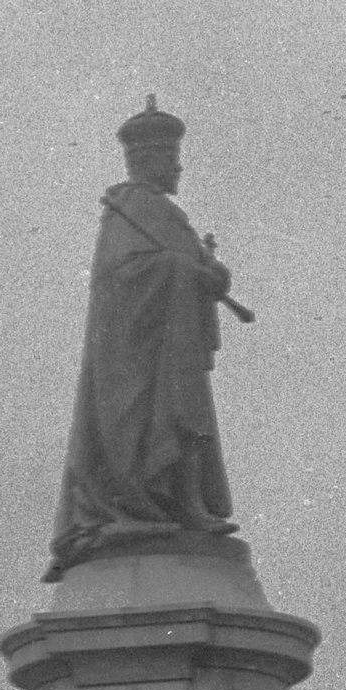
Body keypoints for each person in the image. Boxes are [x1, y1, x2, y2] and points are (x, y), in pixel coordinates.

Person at [45, 98, 246, 581]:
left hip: (177, 346)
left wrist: (212, 275)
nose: (178, 167)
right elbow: (122, 277)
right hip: (140, 354)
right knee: (162, 420)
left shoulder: (167, 216)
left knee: (190, 421)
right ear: (148, 160)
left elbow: (194, 270)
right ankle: (153, 504)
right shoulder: (130, 207)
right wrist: (185, 272)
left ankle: (187, 504)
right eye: (170, 158)